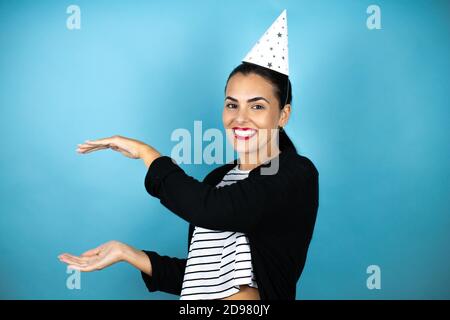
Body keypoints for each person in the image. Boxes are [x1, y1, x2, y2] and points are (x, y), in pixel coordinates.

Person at [59, 10, 319, 300]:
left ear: (283, 115)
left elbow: (213, 210)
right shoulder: (218, 178)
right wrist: (128, 254)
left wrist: (148, 155)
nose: (240, 118)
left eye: (257, 106)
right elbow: (203, 275)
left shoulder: (294, 173)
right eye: (232, 105)